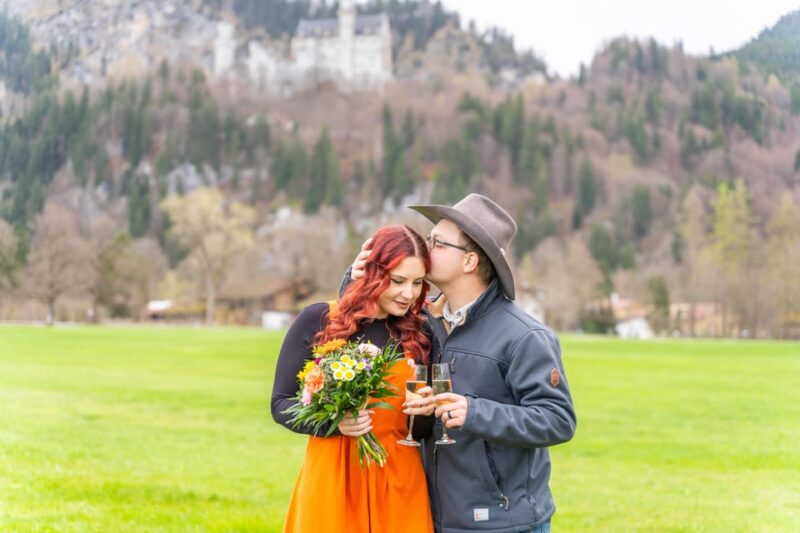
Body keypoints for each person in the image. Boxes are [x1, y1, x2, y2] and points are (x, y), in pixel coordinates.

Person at [347, 194, 577, 532]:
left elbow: (558, 420)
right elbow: (363, 323)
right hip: (434, 518)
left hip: (503, 524)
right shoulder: (424, 322)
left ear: (469, 261)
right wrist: (356, 277)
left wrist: (474, 412)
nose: (425, 248)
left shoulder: (525, 336)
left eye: (437, 243)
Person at [271, 224, 435, 533]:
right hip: (333, 477)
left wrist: (426, 413)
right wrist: (334, 424)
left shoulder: (421, 333)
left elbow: (421, 430)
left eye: (418, 283)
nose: (408, 294)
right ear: (372, 274)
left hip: (399, 479)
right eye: (398, 281)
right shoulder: (319, 320)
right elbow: (280, 404)